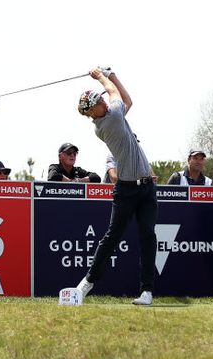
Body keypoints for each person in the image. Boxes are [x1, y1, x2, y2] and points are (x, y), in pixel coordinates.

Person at [73, 67, 158, 306]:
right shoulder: (108, 122)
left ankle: (147, 291)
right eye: (98, 102)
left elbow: (127, 100)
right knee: (112, 238)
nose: (103, 101)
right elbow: (115, 95)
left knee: (148, 236)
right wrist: (101, 76)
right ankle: (87, 283)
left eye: (101, 99)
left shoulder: (114, 114)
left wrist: (113, 76)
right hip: (127, 191)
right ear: (91, 112)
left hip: (146, 189)